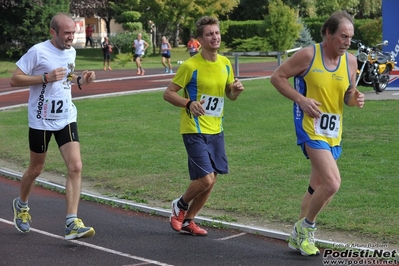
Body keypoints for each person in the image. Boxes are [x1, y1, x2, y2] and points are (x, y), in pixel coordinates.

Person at [270, 11, 365, 256]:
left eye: (350, 38)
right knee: (333, 183)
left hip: (333, 131)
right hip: (310, 128)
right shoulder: (308, 55)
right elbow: (277, 77)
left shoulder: (351, 61)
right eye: (343, 36)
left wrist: (356, 99)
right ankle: (306, 229)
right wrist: (300, 100)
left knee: (319, 186)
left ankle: (296, 236)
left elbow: (347, 95)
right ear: (327, 33)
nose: (347, 42)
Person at [9, 12, 96, 240]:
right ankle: (22, 205)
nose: (70, 37)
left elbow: (66, 76)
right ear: (53, 32)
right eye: (66, 33)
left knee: (76, 166)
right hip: (40, 119)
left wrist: (80, 80)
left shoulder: (72, 51)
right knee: (36, 169)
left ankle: (71, 222)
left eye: (73, 33)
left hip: (66, 116)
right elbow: (15, 79)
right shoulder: (38, 51)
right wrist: (44, 78)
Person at [163, 16, 244, 236]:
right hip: (194, 129)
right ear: (200, 39)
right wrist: (188, 103)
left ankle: (189, 221)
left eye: (217, 33)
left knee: (211, 180)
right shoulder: (191, 66)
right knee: (206, 178)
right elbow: (168, 94)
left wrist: (235, 91)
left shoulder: (225, 63)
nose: (215, 37)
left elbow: (229, 94)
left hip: (216, 129)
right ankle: (179, 205)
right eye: (209, 34)